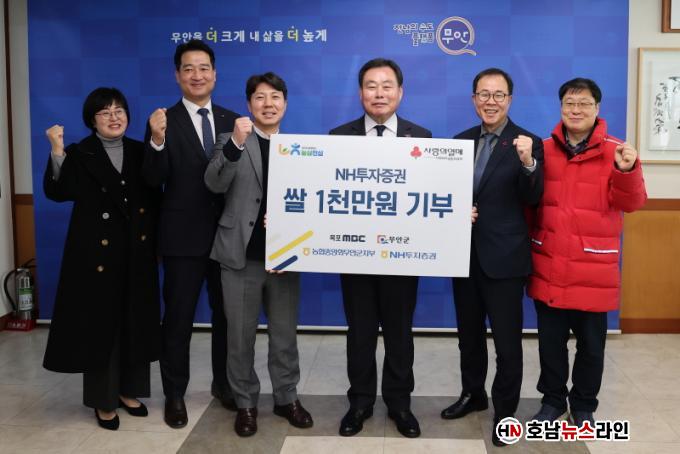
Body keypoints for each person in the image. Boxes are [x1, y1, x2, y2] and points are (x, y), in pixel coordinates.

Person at [527, 78, 647, 427]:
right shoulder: (543, 149)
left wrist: (627, 171)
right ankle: (552, 401)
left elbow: (632, 203)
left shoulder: (617, 151)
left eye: (584, 104)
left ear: (597, 108)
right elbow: (530, 202)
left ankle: (583, 405)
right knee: (550, 345)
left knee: (592, 347)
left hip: (592, 269)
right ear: (560, 107)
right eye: (569, 103)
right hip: (549, 264)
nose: (575, 110)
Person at [42, 87, 161, 431]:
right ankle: (103, 401)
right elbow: (58, 192)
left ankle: (129, 390)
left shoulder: (140, 150)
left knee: (134, 323)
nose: (114, 117)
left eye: (119, 110)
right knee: (101, 329)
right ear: (92, 120)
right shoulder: (80, 153)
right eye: (105, 112)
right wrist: (57, 150)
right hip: (96, 256)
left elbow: (155, 192)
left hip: (136, 253)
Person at [204, 72, 313, 437]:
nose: (268, 104)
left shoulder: (300, 148)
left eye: (275, 97)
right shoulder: (230, 140)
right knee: (240, 338)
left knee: (284, 336)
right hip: (240, 256)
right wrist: (236, 143)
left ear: (285, 103)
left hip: (284, 258)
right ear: (249, 104)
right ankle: (246, 403)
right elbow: (213, 182)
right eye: (260, 97)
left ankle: (286, 398)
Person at [440, 67, 544, 447]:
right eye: (483, 94)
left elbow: (533, 197)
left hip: (505, 260)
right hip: (463, 256)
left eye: (498, 95)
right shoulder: (460, 143)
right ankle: (473, 394)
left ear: (510, 100)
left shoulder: (528, 143)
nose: (491, 101)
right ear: (473, 100)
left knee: (507, 343)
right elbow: (445, 195)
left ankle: (505, 412)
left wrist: (528, 163)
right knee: (468, 337)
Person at [329, 58, 431, 439]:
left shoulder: (422, 137)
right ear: (360, 93)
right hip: (355, 255)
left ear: (400, 92)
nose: (379, 93)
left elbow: (432, 193)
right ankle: (360, 402)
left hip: (403, 256)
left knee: (400, 333)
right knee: (360, 333)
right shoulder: (338, 137)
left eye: (387, 86)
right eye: (371, 86)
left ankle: (400, 403)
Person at [142, 39, 240, 428]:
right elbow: (153, 180)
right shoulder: (162, 121)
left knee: (227, 317)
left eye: (203, 68)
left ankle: (224, 385)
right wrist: (156, 141)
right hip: (182, 238)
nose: (197, 75)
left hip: (228, 236)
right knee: (179, 319)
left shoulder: (235, 121)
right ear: (177, 75)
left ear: (215, 73)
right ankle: (175, 395)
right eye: (188, 68)